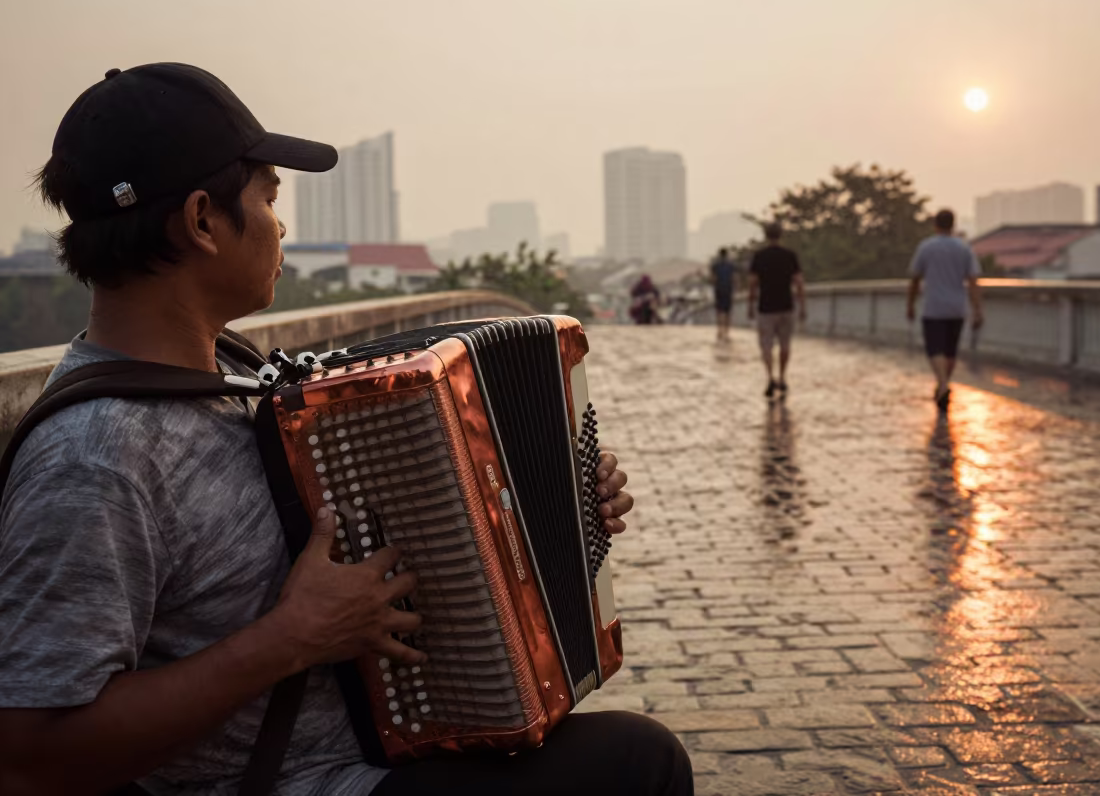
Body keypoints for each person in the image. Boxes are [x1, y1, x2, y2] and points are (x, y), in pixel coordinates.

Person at [0, 64, 692, 796]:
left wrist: (556, 500)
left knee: (630, 753)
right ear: (203, 221)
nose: (282, 224)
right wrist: (287, 640)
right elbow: (28, 755)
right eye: (268, 197)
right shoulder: (95, 457)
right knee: (636, 766)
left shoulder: (234, 373)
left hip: (382, 744)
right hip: (302, 780)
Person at [906, 208, 984, 409]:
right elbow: (973, 280)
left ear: (935, 224)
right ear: (953, 224)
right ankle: (944, 383)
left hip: (933, 307)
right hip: (957, 308)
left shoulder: (926, 247)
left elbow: (915, 278)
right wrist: (978, 310)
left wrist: (910, 304)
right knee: (950, 351)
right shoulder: (964, 248)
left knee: (935, 349)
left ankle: (941, 383)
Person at [747, 223, 805, 398]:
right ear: (781, 235)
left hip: (765, 307)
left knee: (766, 346)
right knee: (785, 344)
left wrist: (750, 306)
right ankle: (783, 377)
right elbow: (799, 282)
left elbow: (752, 284)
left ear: (766, 235)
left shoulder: (759, 257)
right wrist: (802, 306)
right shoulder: (790, 256)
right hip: (786, 306)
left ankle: (770, 377)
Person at [710, 248, 736, 341]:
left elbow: (713, 279)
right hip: (728, 290)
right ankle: (727, 331)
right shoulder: (731, 266)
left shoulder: (715, 266)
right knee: (728, 311)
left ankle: (720, 330)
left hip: (719, 290)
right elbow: (733, 278)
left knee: (719, 311)